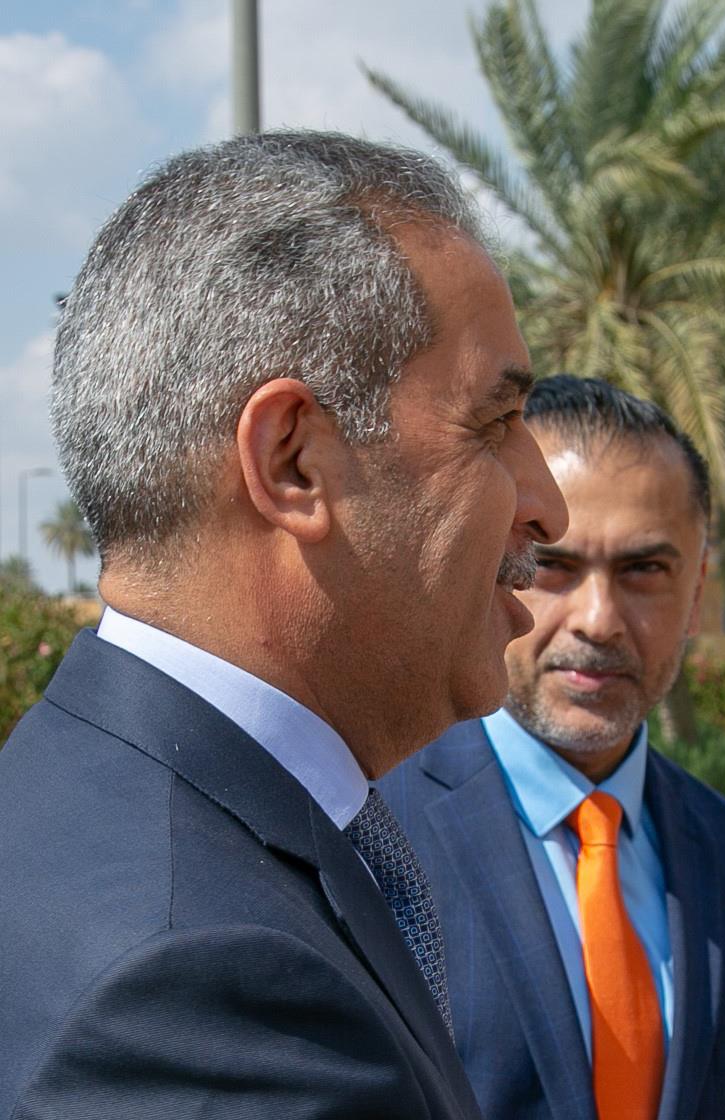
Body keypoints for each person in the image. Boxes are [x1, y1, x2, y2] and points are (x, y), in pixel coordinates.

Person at [0, 131, 568, 1117]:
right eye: (492, 425)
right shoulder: (197, 985)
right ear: (295, 461)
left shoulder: (83, 803)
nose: (545, 502)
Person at [378, 375, 725, 1120]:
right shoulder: (367, 840)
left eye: (643, 571)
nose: (598, 620)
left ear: (696, 593)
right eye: (554, 566)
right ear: (487, 566)